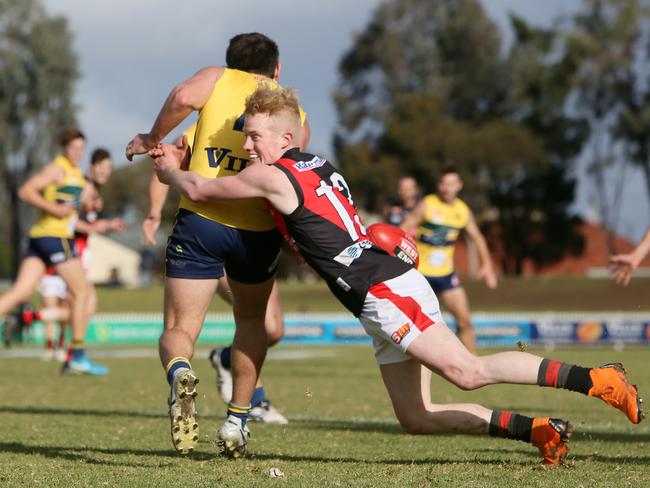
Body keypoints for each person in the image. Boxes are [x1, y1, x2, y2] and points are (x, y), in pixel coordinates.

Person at [151, 85, 644, 463]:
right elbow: (327, 227)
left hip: (382, 289)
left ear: (285, 137)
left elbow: (203, 188)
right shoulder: (316, 164)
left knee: (466, 373)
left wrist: (171, 169)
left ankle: (598, 379)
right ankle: (539, 430)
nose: (248, 144)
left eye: (254, 135)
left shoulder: (273, 174)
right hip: (378, 289)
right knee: (416, 418)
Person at [126, 33, 309, 454]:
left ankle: (180, 373)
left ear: (230, 64)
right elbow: (291, 181)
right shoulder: (293, 111)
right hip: (257, 233)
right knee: (251, 324)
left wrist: (152, 138)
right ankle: (237, 421)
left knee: (179, 330)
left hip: (201, 223)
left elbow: (182, 98)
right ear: (276, 69)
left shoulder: (217, 81)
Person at [142, 124, 289, 424]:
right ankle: (252, 404)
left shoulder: (281, 120)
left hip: (254, 239)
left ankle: (224, 360)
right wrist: (155, 211)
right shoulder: (208, 121)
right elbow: (166, 160)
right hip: (207, 238)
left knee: (271, 328)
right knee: (240, 322)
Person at [0, 128, 107, 374]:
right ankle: (77, 354)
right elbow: (25, 191)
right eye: (74, 148)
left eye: (82, 148)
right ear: (64, 148)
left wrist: (96, 220)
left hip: (41, 238)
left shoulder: (75, 176)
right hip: (53, 238)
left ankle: (75, 353)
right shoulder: (57, 169)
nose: (78, 152)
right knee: (82, 293)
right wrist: (53, 209)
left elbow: (72, 210)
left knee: (20, 292)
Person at [27, 148, 126, 369]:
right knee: (84, 303)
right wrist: (94, 226)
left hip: (78, 251)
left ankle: (72, 352)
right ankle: (34, 322)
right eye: (102, 168)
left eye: (108, 169)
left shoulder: (95, 191)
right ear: (91, 166)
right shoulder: (84, 185)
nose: (105, 172)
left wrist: (104, 224)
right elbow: (70, 219)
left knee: (83, 305)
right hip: (71, 250)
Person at [400, 167, 497, 354]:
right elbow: (402, 230)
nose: (447, 188)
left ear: (459, 186)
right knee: (416, 327)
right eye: (443, 183)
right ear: (439, 185)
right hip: (420, 274)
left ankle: (473, 366)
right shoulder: (427, 204)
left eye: (451, 184)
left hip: (446, 276)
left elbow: (477, 237)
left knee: (465, 321)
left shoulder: (462, 210)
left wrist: (487, 265)